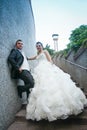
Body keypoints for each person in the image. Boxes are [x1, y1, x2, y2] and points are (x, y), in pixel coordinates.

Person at [26, 41, 87, 121]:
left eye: (39, 45)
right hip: (40, 71)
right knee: (41, 87)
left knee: (52, 85)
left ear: (42, 46)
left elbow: (50, 60)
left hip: (46, 68)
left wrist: (50, 67)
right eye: (37, 46)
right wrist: (27, 58)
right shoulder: (37, 54)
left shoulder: (45, 51)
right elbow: (34, 57)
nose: (38, 47)